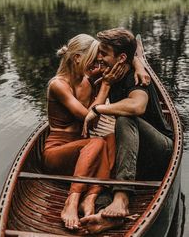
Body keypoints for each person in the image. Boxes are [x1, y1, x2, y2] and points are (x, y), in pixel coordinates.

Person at [42, 33, 150, 231]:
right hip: (57, 155)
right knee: (98, 142)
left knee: (110, 138)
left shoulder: (87, 79)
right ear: (77, 58)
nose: (97, 66)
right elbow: (87, 118)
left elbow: (121, 54)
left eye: (98, 61)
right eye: (92, 60)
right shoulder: (58, 85)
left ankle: (90, 198)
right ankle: (72, 202)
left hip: (79, 151)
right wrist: (106, 86)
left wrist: (139, 64)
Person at [81, 28, 173, 234]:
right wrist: (105, 85)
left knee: (124, 118)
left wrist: (98, 108)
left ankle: (121, 199)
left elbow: (137, 106)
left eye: (104, 53)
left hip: (160, 149)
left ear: (121, 57)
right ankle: (106, 215)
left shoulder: (136, 77)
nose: (99, 57)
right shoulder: (111, 74)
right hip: (134, 153)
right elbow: (92, 125)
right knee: (105, 184)